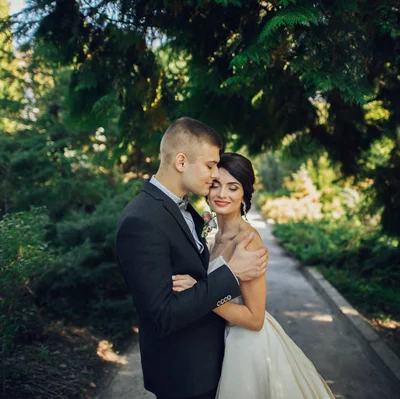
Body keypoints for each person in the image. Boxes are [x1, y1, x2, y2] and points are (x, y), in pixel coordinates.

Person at [115, 117, 270, 399]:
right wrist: (231, 273)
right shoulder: (142, 220)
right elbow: (161, 316)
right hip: (185, 376)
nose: (214, 176)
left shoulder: (186, 212)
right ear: (182, 162)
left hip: (211, 365)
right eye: (211, 166)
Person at [172, 153, 336, 399]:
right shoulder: (214, 233)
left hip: (246, 344)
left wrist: (200, 294)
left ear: (244, 194)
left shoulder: (247, 242)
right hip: (218, 340)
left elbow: (255, 318)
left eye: (233, 187)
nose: (221, 194)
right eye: (216, 185)